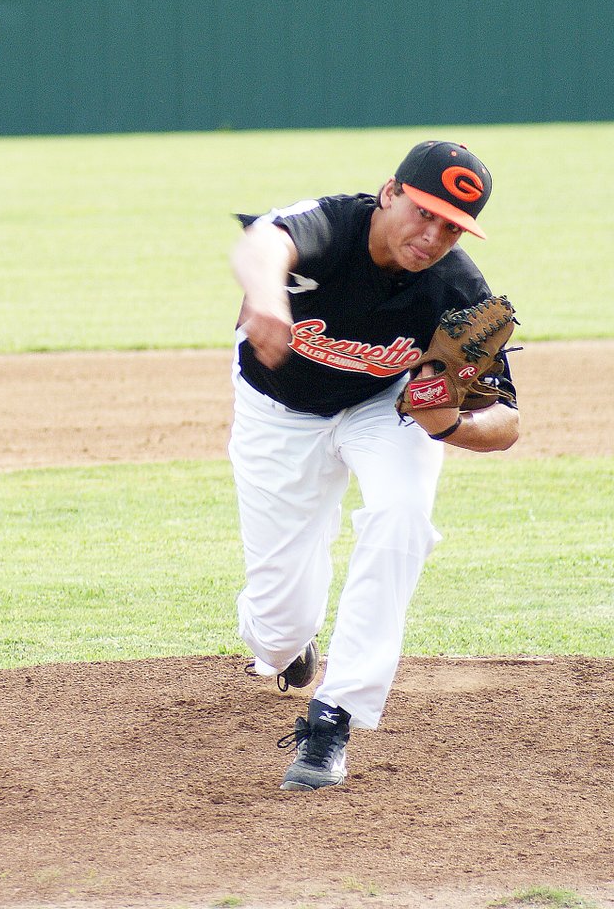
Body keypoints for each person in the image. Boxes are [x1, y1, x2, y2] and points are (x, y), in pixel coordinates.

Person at [228, 140, 519, 791]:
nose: (433, 234)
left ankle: (336, 716)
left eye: (452, 226)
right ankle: (283, 648)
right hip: (280, 409)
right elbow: (261, 244)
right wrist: (271, 299)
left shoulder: (461, 293)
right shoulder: (334, 226)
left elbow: (509, 423)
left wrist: (450, 425)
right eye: (424, 212)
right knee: (278, 628)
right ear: (391, 191)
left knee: (402, 515)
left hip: (384, 408)